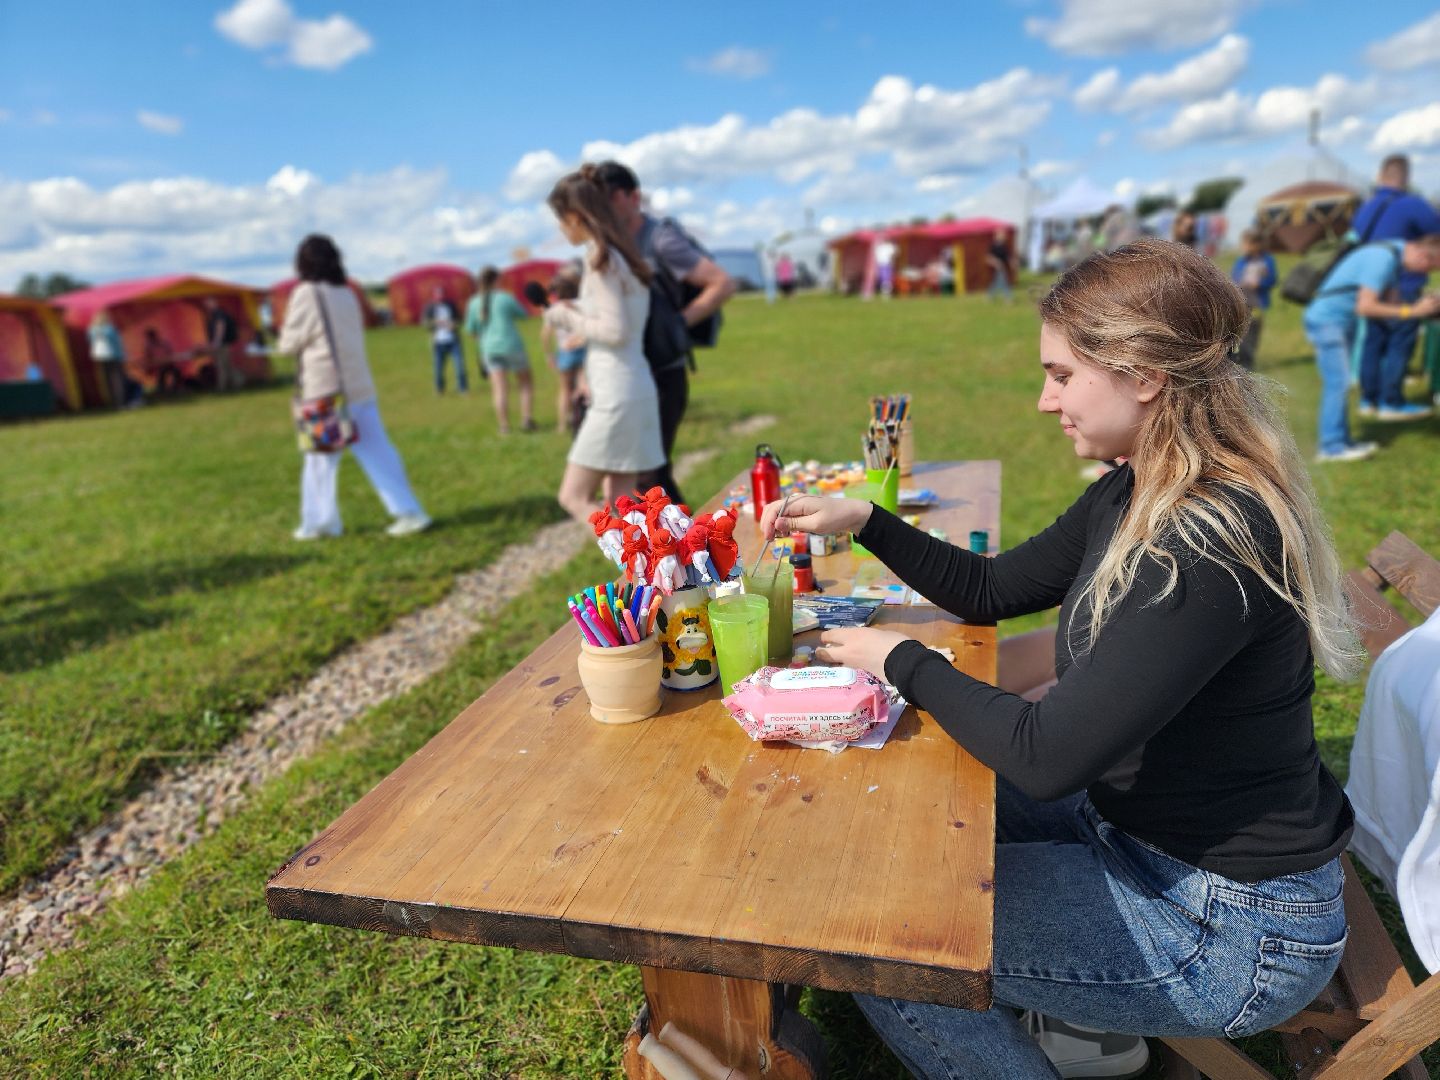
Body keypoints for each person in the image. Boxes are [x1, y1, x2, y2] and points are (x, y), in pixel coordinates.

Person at [761, 239, 1366, 1079]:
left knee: (882, 936)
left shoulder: (1207, 541)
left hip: (1224, 928)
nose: (1046, 402)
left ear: (1144, 374)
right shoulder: (1138, 483)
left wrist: (899, 659)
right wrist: (864, 518)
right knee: (926, 804)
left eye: (1061, 374)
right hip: (1143, 842)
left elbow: (1048, 758)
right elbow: (990, 588)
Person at [596, 161, 736, 506]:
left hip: (662, 373)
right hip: (629, 371)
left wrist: (678, 322)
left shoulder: (661, 240)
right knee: (645, 472)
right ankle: (682, 552)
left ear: (634, 197)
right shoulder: (609, 244)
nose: (608, 208)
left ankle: (687, 552)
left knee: (648, 474)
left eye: (614, 198)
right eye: (602, 201)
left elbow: (721, 282)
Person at [277, 234, 431, 540]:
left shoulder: (306, 293)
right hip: (357, 385)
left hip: (324, 388)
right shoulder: (346, 293)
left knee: (320, 459)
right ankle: (409, 510)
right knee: (378, 451)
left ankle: (320, 523)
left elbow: (289, 342)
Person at [544, 166, 666, 525]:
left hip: (617, 393)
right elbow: (618, 316)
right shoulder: (622, 255)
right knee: (624, 506)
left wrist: (564, 318)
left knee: (574, 496)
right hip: (634, 387)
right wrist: (578, 309)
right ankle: (649, 574)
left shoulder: (601, 260)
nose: (561, 229)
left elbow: (614, 330)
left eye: (561, 220)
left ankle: (639, 567)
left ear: (577, 216)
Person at [1304, 234, 1440, 462]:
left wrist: (1426, 303)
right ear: (1422, 254)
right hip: (1328, 322)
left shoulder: (1393, 254)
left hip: (1339, 322)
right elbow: (1366, 306)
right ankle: (1332, 447)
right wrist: (1413, 312)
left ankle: (1343, 440)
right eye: (1429, 267)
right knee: (1338, 383)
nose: (1424, 274)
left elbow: (1392, 303)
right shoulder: (1383, 259)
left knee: (1341, 382)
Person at [1351, 155, 1440, 420]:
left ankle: (1369, 400)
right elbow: (1435, 236)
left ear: (1382, 175)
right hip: (1404, 284)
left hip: (1371, 286)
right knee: (1399, 343)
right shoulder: (1412, 204)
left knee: (1373, 343)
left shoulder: (1366, 208)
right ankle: (1392, 401)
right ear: (1404, 177)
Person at [464, 267, 535, 434]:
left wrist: (483, 339)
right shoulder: (505, 298)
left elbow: (471, 330)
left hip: (489, 349)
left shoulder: (474, 302)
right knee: (525, 383)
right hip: (511, 345)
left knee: (499, 389)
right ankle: (526, 420)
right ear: (496, 280)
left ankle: (504, 426)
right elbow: (523, 314)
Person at [539, 265, 587, 434]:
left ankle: (561, 424)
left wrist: (549, 355)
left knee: (564, 389)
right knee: (583, 386)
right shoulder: (582, 305)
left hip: (565, 351)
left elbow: (544, 334)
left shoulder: (553, 309)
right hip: (583, 348)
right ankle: (583, 419)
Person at [1230, 230, 1277, 370]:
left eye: (1245, 244)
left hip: (1256, 303)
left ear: (1256, 245)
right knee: (1238, 332)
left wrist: (1260, 284)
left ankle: (1247, 364)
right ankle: (1236, 360)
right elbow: (1234, 277)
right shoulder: (1241, 261)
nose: (1243, 247)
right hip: (1241, 302)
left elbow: (1272, 279)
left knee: (1252, 334)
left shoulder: (1267, 260)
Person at [88, 309, 140, 409]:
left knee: (108, 381)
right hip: (114, 356)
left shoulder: (92, 331)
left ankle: (114, 402)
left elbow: (91, 342)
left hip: (100, 358)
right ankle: (122, 403)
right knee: (118, 380)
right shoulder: (110, 329)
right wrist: (123, 356)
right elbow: (117, 345)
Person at [424, 285, 467, 395]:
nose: (440, 296)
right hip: (438, 342)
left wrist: (454, 325)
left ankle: (462, 388)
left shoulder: (451, 305)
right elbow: (425, 324)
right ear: (434, 295)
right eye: (437, 294)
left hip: (453, 341)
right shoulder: (430, 307)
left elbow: (459, 320)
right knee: (438, 369)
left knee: (459, 366)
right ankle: (439, 389)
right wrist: (436, 322)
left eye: (441, 294)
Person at [203, 297, 242, 392]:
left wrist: (217, 342)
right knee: (226, 365)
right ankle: (237, 383)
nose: (207, 305)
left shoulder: (218, 314)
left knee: (222, 365)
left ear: (214, 303)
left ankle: (222, 387)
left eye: (209, 303)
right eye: (206, 304)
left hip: (222, 344)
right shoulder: (215, 314)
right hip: (221, 343)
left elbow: (220, 327)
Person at [141, 327, 184, 395]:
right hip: (158, 366)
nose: (150, 338)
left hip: (168, 364)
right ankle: (163, 390)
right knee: (162, 372)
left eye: (151, 336)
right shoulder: (149, 347)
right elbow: (148, 358)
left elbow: (170, 354)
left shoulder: (164, 343)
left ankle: (175, 388)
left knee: (176, 371)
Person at [986, 234, 1015, 302]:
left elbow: (1007, 257)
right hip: (995, 268)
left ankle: (990, 296)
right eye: (1001, 236)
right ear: (997, 237)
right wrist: (995, 261)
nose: (1003, 237)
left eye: (1003, 236)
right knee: (1004, 282)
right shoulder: (993, 246)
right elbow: (988, 257)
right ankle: (1008, 298)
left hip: (1003, 267)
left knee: (996, 283)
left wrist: (1012, 263)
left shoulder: (1004, 247)